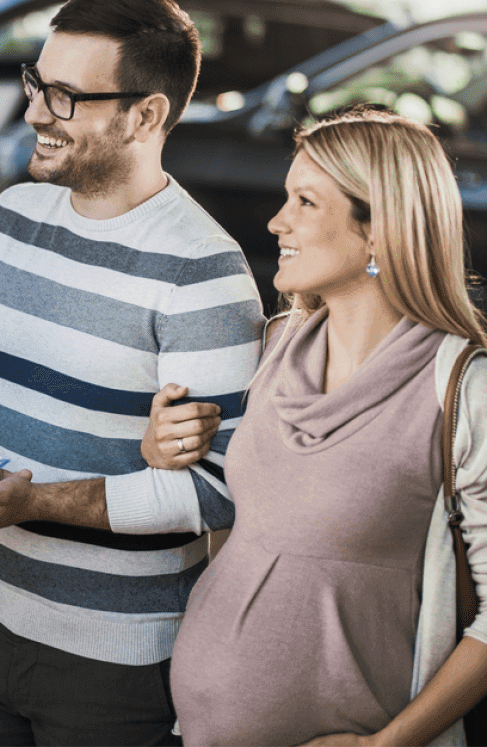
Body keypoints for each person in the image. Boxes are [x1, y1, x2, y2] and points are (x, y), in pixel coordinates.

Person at [0, 0, 264, 746]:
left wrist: (26, 502)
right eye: (37, 83)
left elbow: (214, 492)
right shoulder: (5, 222)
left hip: (121, 666)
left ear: (145, 116)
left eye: (66, 96)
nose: (35, 113)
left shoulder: (203, 273)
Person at [146, 107, 487, 746]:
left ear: (379, 231)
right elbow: (236, 511)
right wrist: (164, 447)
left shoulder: (463, 389)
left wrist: (387, 745)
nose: (277, 222)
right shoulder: (274, 345)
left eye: (305, 202)